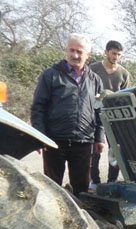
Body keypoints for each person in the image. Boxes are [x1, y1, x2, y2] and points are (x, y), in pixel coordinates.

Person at [30, 33, 105, 196]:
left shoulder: (95, 80)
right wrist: (40, 136)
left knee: (82, 190)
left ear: (88, 55)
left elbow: (99, 111)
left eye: (79, 51)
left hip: (83, 142)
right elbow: (38, 107)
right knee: (50, 188)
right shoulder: (51, 75)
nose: (74, 55)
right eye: (71, 50)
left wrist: (99, 138)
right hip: (54, 141)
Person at [89, 40, 130, 186]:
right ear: (106, 52)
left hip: (115, 116)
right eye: (113, 53)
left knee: (116, 148)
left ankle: (112, 181)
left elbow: (125, 96)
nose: (116, 57)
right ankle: (94, 180)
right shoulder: (93, 69)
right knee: (95, 147)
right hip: (95, 114)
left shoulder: (124, 73)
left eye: (119, 55)